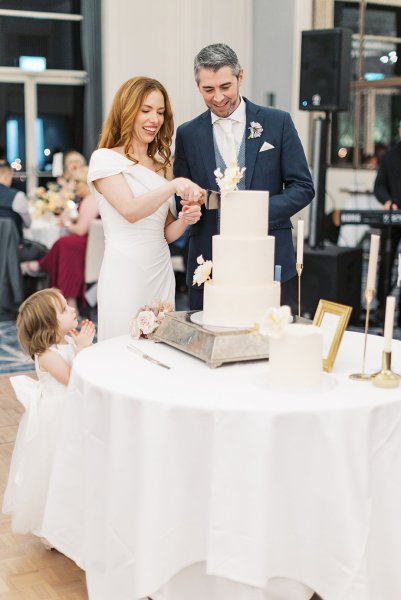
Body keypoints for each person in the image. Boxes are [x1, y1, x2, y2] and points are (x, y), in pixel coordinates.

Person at [173, 43, 315, 310]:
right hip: (210, 259)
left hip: (269, 252)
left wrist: (254, 212)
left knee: (270, 341)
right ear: (198, 86)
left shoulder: (278, 122)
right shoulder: (187, 134)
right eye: (208, 89)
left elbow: (303, 187)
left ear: (241, 77)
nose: (218, 97)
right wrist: (188, 205)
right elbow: (180, 198)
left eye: (225, 86)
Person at [87, 76, 203, 341]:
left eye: (160, 112)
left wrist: (186, 218)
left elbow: (166, 233)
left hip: (160, 270)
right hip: (125, 271)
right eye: (146, 110)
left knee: (159, 350)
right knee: (121, 347)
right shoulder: (105, 159)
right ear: (127, 111)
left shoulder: (162, 166)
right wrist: (174, 186)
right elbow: (129, 210)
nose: (155, 119)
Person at [2, 288, 95, 541]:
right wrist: (83, 349)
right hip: (58, 418)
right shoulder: (46, 355)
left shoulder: (64, 342)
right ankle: (52, 528)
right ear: (50, 324)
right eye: (64, 309)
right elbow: (72, 380)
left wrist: (79, 346)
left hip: (71, 411)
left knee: (75, 467)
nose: (72, 309)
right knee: (55, 470)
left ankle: (75, 519)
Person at [24, 166, 99, 312]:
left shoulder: (90, 200)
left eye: (77, 182)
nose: (75, 186)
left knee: (63, 243)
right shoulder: (87, 199)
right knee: (63, 244)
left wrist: (66, 223)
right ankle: (43, 267)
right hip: (87, 242)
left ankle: (41, 265)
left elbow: (81, 229)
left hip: (90, 245)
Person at [373, 121, 401, 323]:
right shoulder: (389, 156)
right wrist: (388, 201)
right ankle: (382, 306)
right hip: (393, 219)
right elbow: (379, 186)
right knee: (386, 261)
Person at [0, 159, 47, 261]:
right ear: (8, 175)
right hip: (13, 250)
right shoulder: (17, 196)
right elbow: (28, 224)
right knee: (45, 251)